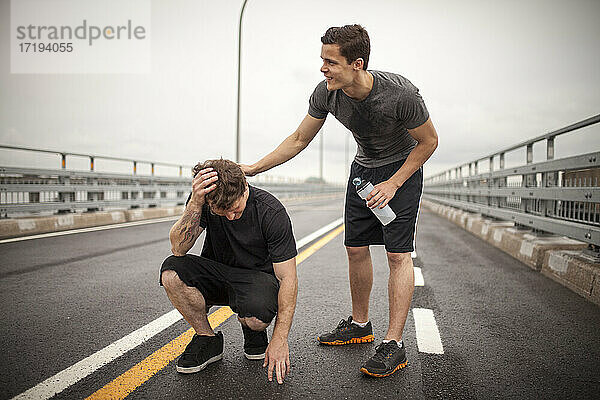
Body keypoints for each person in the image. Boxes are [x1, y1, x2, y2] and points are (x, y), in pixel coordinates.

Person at [241, 24, 438, 378]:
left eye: (330, 62)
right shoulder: (328, 93)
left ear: (357, 64)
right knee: (356, 249)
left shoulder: (400, 94)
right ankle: (361, 325)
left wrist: (393, 184)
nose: (322, 68)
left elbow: (429, 142)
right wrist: (255, 168)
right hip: (363, 170)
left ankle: (394, 344)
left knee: (397, 254)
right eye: (322, 60)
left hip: (401, 172)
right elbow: (300, 137)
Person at [160, 159, 298, 384]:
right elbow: (178, 247)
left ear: (244, 187)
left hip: (257, 280)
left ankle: (251, 328)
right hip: (218, 273)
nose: (232, 217)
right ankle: (207, 339)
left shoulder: (270, 211)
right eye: (223, 213)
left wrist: (280, 338)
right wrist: (195, 203)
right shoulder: (204, 200)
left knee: (256, 318)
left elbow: (288, 277)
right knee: (171, 272)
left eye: (236, 209)